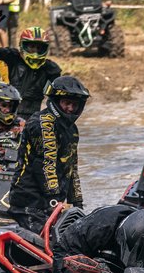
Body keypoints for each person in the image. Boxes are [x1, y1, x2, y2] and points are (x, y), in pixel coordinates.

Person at [8, 75, 90, 231]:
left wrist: (77, 203)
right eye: (66, 103)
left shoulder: (72, 130)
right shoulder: (42, 123)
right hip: (29, 202)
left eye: (74, 104)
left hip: (52, 204)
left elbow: (72, 168)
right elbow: (46, 164)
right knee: (49, 240)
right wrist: (54, 200)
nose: (70, 108)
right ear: (56, 101)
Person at [0, 23, 62, 118]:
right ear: (22, 45)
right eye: (32, 47)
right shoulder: (14, 57)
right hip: (10, 111)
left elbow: (56, 97)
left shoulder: (50, 68)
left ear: (45, 49)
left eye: (39, 48)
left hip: (33, 114)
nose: (35, 52)